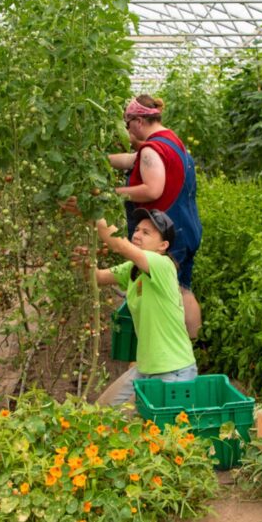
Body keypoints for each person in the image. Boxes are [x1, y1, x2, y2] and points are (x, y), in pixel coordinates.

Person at [109, 95, 203, 338]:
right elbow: (132, 160)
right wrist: (101, 161)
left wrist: (113, 194)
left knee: (168, 293)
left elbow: (153, 189)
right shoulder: (171, 141)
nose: (128, 131)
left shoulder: (152, 148)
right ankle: (193, 346)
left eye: (127, 125)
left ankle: (173, 351)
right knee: (183, 288)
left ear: (138, 121)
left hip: (169, 232)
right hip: (187, 226)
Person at [91, 209, 198, 406]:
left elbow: (119, 246)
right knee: (101, 411)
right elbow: (97, 277)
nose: (137, 235)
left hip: (173, 371)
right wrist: (84, 262)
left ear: (163, 246)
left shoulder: (163, 265)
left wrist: (93, 212)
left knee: (135, 429)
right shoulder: (132, 269)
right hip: (145, 367)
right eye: (137, 230)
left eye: (146, 233)